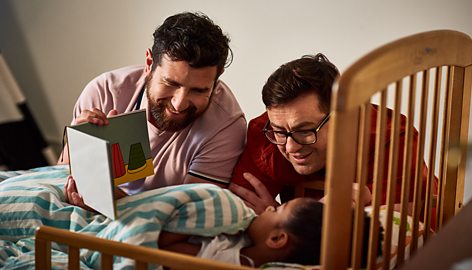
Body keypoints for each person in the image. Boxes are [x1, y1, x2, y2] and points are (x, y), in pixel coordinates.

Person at [60, 12, 246, 207]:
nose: (179, 103)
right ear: (149, 63)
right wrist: (77, 151)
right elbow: (56, 180)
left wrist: (116, 200)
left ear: (217, 77)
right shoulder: (104, 93)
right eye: (170, 83)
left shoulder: (227, 126)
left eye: (198, 90)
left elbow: (192, 215)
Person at [229, 53, 431, 214]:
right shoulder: (267, 135)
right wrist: (287, 218)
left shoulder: (392, 138)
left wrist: (278, 218)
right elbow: (238, 210)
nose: (290, 147)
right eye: (280, 131)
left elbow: (390, 228)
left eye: (305, 130)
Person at [157, 196, 382, 267]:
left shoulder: (224, 259)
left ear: (276, 238)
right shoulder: (244, 244)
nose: (268, 207)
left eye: (277, 209)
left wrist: (203, 216)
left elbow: (165, 249)